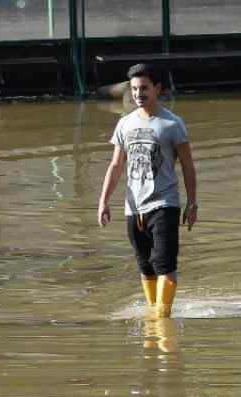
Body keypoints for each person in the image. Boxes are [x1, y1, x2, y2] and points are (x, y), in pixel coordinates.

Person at [97, 63, 198, 319]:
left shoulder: (172, 124)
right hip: (134, 207)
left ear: (157, 89)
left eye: (143, 88)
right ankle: (155, 312)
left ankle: (162, 320)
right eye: (134, 89)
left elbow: (187, 166)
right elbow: (116, 164)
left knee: (165, 265)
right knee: (145, 267)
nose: (138, 94)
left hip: (165, 204)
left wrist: (192, 203)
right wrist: (103, 201)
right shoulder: (124, 124)